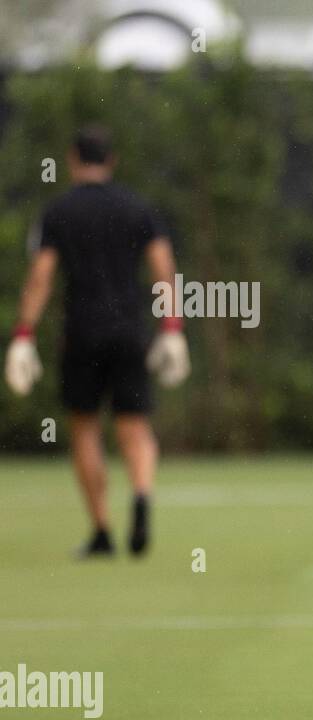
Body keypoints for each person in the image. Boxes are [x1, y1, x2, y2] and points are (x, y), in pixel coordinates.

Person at [5, 125, 189, 557]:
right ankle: (142, 493)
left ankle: (102, 530)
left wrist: (23, 335)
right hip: (129, 331)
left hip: (82, 333)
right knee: (135, 426)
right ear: (112, 160)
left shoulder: (58, 212)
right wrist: (173, 327)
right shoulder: (137, 208)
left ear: (72, 159)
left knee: (85, 428)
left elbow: (40, 279)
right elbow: (164, 268)